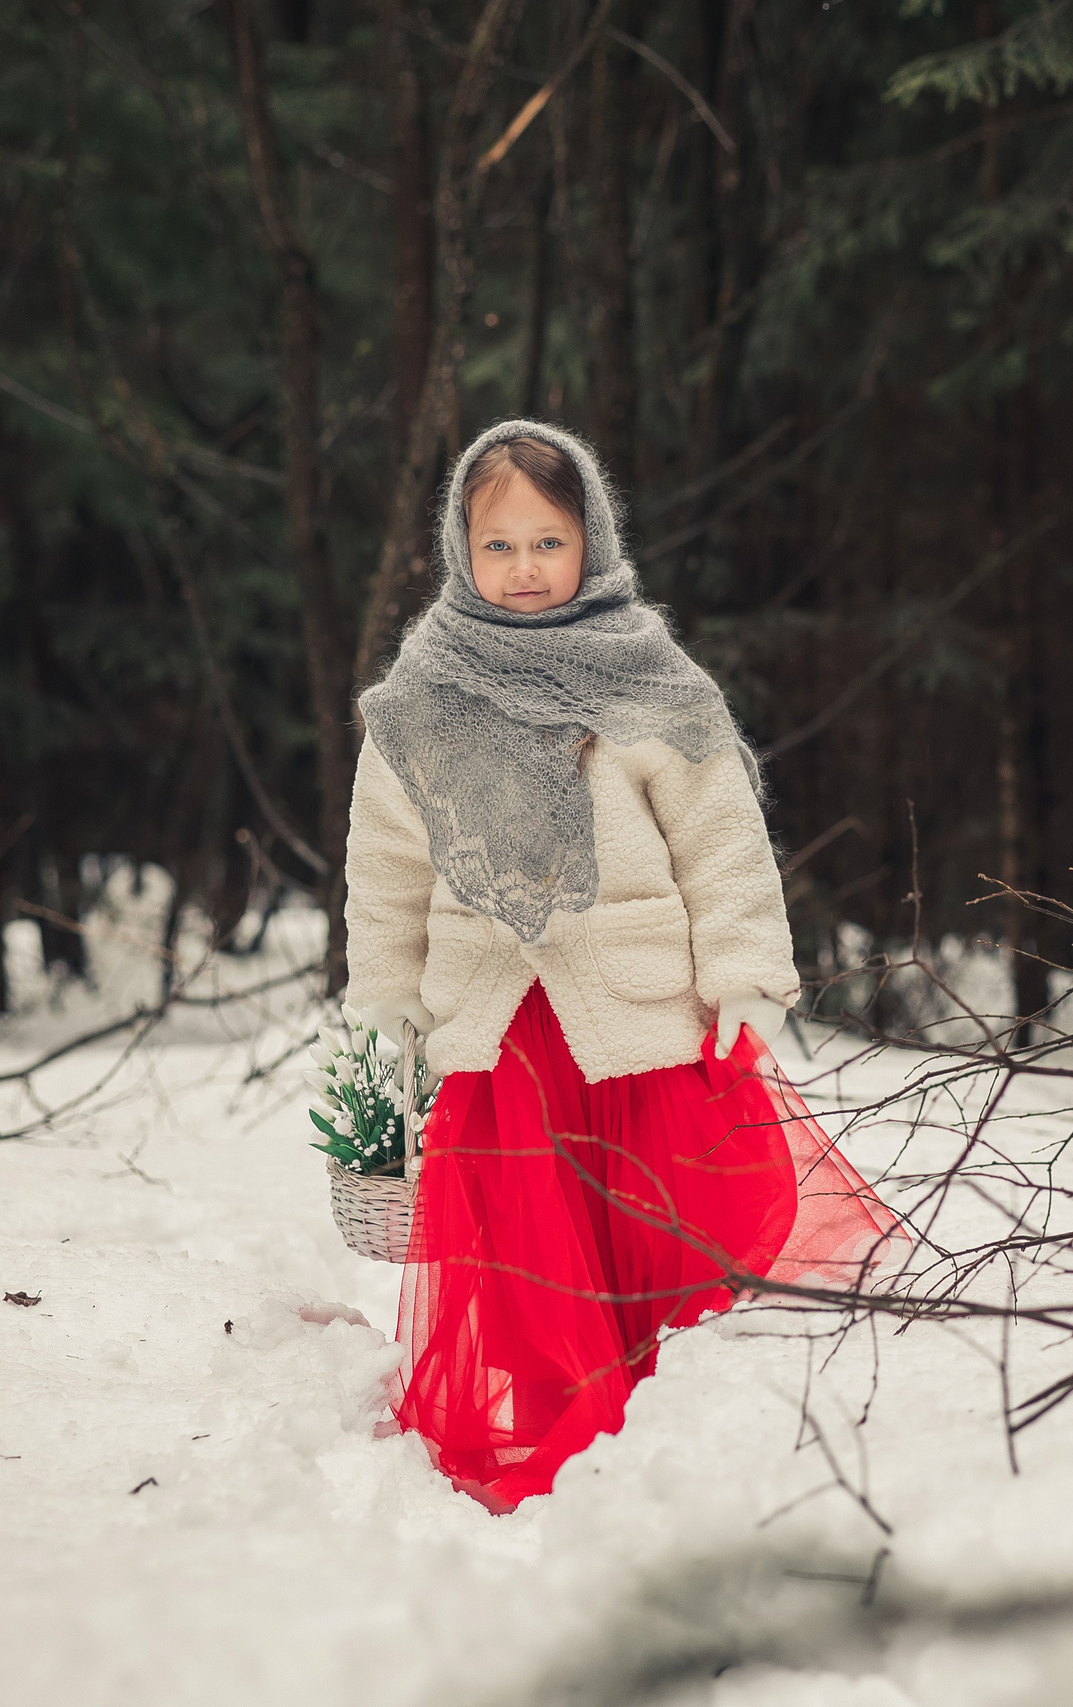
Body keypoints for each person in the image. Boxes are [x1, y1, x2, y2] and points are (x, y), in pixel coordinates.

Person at [344, 418, 906, 1512]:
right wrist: (386, 998)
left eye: (546, 543)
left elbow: (721, 843)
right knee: (528, 1249)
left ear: (591, 542)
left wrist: (744, 974)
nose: (522, 571)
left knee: (671, 1220)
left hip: (638, 1018)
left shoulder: (651, 679)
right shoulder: (421, 698)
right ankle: (565, 1429)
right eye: (497, 546)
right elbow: (387, 867)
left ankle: (672, 1431)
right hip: (502, 1031)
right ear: (460, 550)